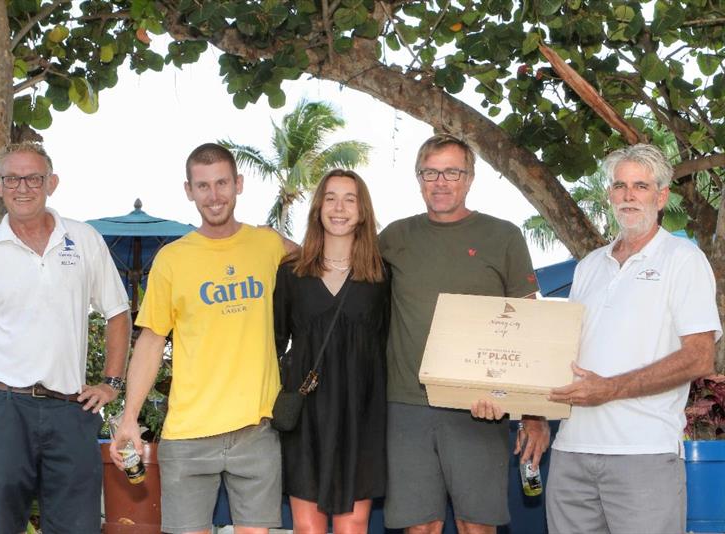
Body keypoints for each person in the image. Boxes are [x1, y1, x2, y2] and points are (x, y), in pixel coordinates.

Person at [0, 142, 131, 533]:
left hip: (70, 408)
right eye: (12, 178)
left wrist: (112, 382)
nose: (23, 187)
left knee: (78, 527)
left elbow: (118, 312)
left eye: (34, 178)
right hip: (1, 409)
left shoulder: (84, 240)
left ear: (52, 183)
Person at [111, 143, 295, 534]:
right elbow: (150, 341)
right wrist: (129, 418)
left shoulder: (269, 245)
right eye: (204, 185)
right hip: (188, 433)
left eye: (222, 183)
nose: (214, 195)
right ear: (189, 190)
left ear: (238, 184)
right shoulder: (173, 259)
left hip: (256, 430)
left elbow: (327, 265)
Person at [545, 143, 721, 534]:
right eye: (620, 186)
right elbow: (559, 353)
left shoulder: (683, 260)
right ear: (609, 194)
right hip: (570, 452)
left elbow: (699, 358)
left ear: (661, 197)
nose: (628, 196)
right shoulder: (589, 266)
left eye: (640, 186)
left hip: (642, 453)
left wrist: (610, 389)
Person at [379, 133, 550, 534]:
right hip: (406, 405)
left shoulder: (503, 236)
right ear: (418, 178)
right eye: (430, 173)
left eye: (452, 172)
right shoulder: (393, 237)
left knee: (477, 525)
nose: (440, 182)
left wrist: (534, 412)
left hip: (481, 408)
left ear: (470, 178)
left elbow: (530, 326)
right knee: (419, 527)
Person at [274, 169, 389, 533]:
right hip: (306, 416)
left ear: (363, 211)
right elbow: (274, 344)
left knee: (353, 526)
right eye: (331, 198)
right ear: (318, 208)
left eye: (350, 199)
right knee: (307, 528)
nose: (339, 208)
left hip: (363, 413)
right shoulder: (291, 273)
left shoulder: (383, 275)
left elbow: (387, 345)